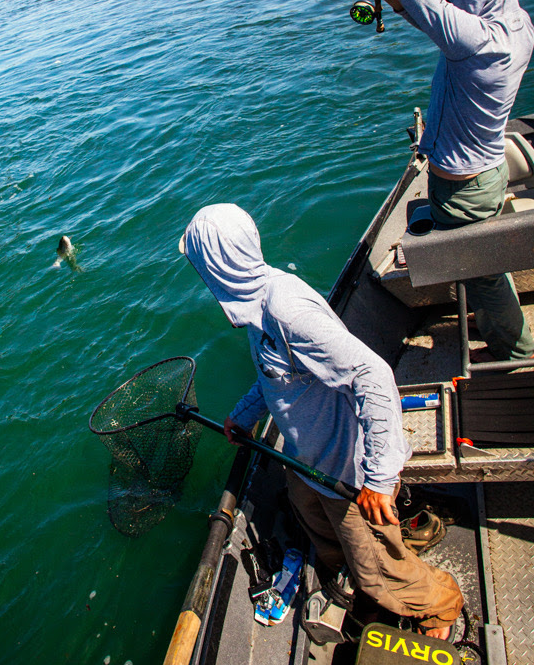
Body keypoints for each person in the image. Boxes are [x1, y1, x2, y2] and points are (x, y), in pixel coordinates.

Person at [180, 202, 463, 640]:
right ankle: (345, 572)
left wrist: (380, 479)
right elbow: (274, 377)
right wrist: (243, 415)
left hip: (344, 472)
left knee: (378, 571)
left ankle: (441, 608)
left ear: (216, 267)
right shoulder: (255, 310)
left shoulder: (288, 311)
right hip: (305, 463)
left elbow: (374, 375)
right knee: (312, 521)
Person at [344, 0, 534, 361]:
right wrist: (399, 4)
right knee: (487, 260)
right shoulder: (515, 27)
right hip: (489, 168)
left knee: (484, 271)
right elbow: (445, 25)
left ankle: (516, 351)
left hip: (462, 188)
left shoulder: (475, 39)